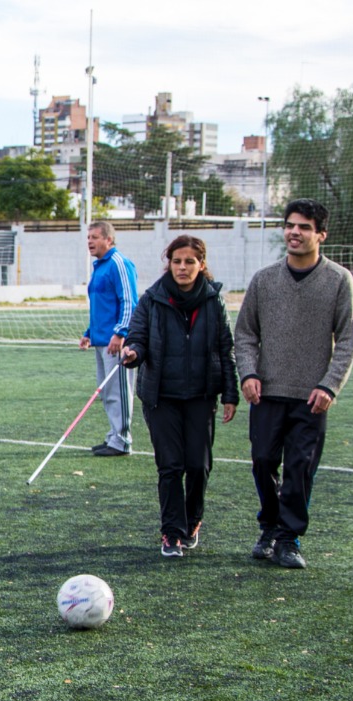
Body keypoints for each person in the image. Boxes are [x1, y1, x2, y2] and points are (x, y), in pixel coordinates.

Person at [235, 199, 353, 570]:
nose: (295, 232)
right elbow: (244, 334)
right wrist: (249, 373)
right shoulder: (264, 280)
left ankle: (289, 539)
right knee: (262, 462)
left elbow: (349, 339)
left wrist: (330, 385)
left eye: (304, 227)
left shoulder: (338, 281)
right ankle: (269, 526)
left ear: (321, 234)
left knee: (300, 469)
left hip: (311, 397)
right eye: (290, 225)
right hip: (267, 392)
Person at [122, 236, 238, 558]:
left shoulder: (214, 301)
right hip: (161, 396)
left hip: (201, 396)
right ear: (168, 264)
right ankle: (171, 532)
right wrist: (133, 352)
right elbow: (138, 336)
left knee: (198, 466)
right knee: (170, 466)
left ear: (202, 264)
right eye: (176, 261)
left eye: (189, 261)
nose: (182, 268)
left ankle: (192, 519)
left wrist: (231, 393)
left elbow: (225, 349)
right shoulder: (153, 299)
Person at [80, 221, 138, 456]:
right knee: (106, 391)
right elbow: (101, 307)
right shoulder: (99, 267)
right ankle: (114, 435)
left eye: (95, 237)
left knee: (119, 391)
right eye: (88, 238)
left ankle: (122, 441)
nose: (90, 242)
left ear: (109, 240)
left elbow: (129, 301)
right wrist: (88, 333)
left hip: (116, 342)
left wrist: (120, 333)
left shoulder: (119, 264)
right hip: (101, 339)